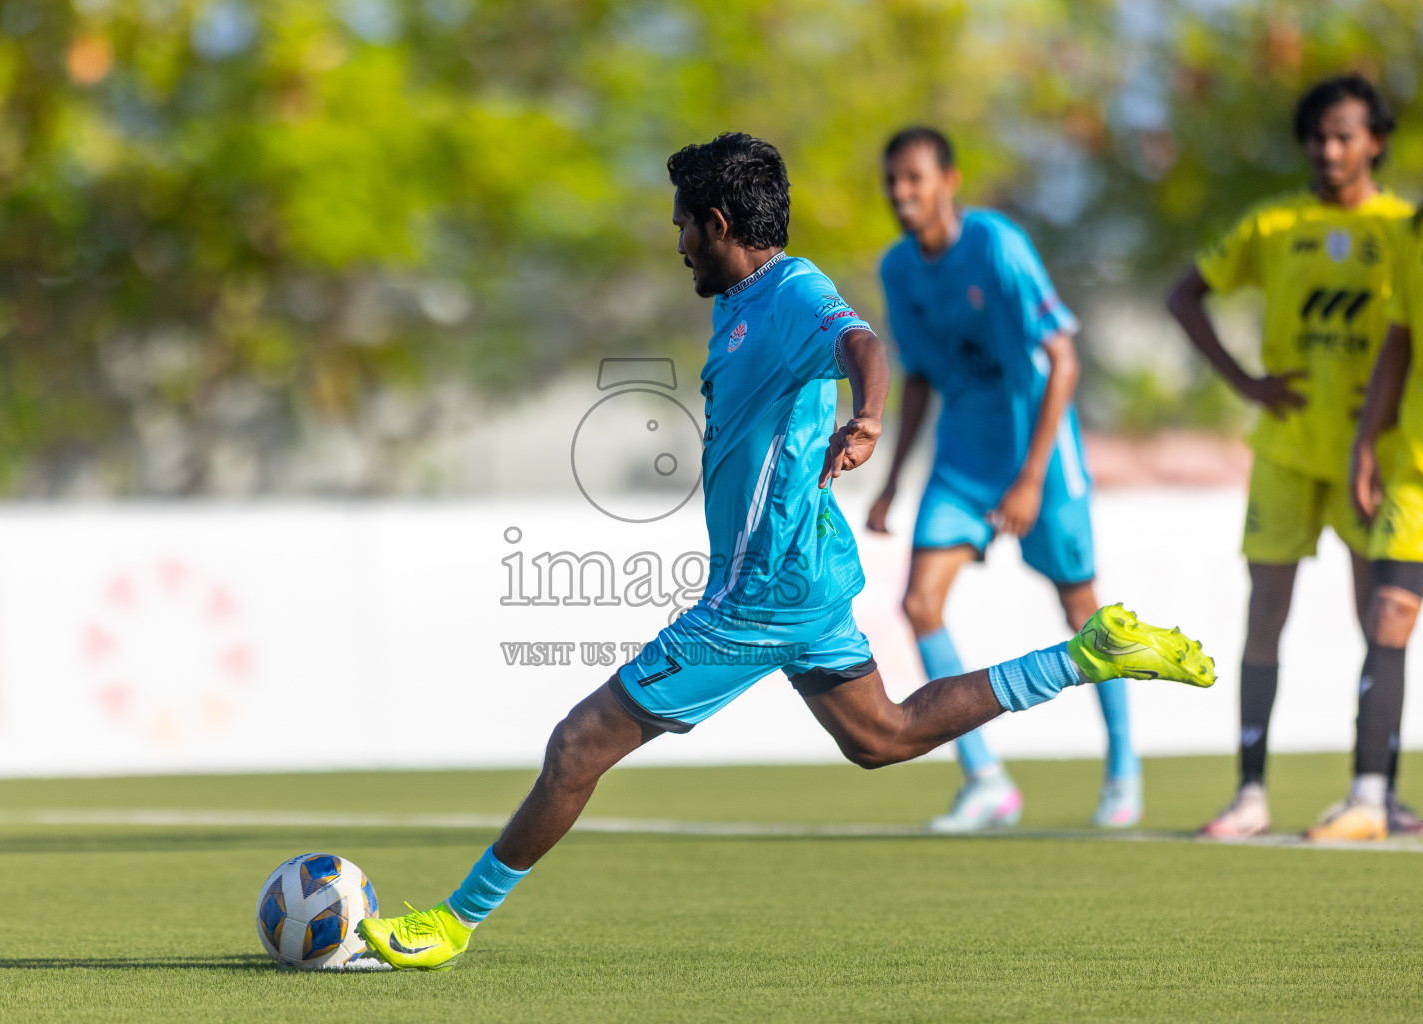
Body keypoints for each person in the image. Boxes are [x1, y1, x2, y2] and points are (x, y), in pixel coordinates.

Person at [355, 133, 1215, 971]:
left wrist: (869, 416)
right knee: (885, 735)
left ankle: (452, 922)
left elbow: (863, 345)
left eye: (685, 223)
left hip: (761, 593)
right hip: (803, 575)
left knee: (579, 745)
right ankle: (1083, 654)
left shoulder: (793, 289)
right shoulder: (736, 306)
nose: (679, 241)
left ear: (720, 223)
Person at [865, 126, 1139, 830]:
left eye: (915, 179)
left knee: (1082, 612)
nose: (902, 194)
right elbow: (920, 379)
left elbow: (1064, 361)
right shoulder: (898, 270)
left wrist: (1030, 478)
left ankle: (1123, 768)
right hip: (963, 461)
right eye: (892, 181)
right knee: (920, 605)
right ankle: (985, 778)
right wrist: (894, 479)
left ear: (948, 181)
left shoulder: (997, 245)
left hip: (1042, 460)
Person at [1166, 74, 1417, 840]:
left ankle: (1374, 792)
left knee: (1379, 618)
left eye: (1344, 134)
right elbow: (1185, 295)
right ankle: (1250, 793)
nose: (1329, 148)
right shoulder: (1274, 223)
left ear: (1375, 139)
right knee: (1265, 615)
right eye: (1317, 135)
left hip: (1374, 452)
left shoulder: (1404, 228)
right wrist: (1244, 379)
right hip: (1286, 449)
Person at [1344, 209, 1423, 840]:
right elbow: (1399, 343)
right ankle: (1369, 798)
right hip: (1414, 473)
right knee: (1388, 612)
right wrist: (1367, 443)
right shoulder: (1411, 237)